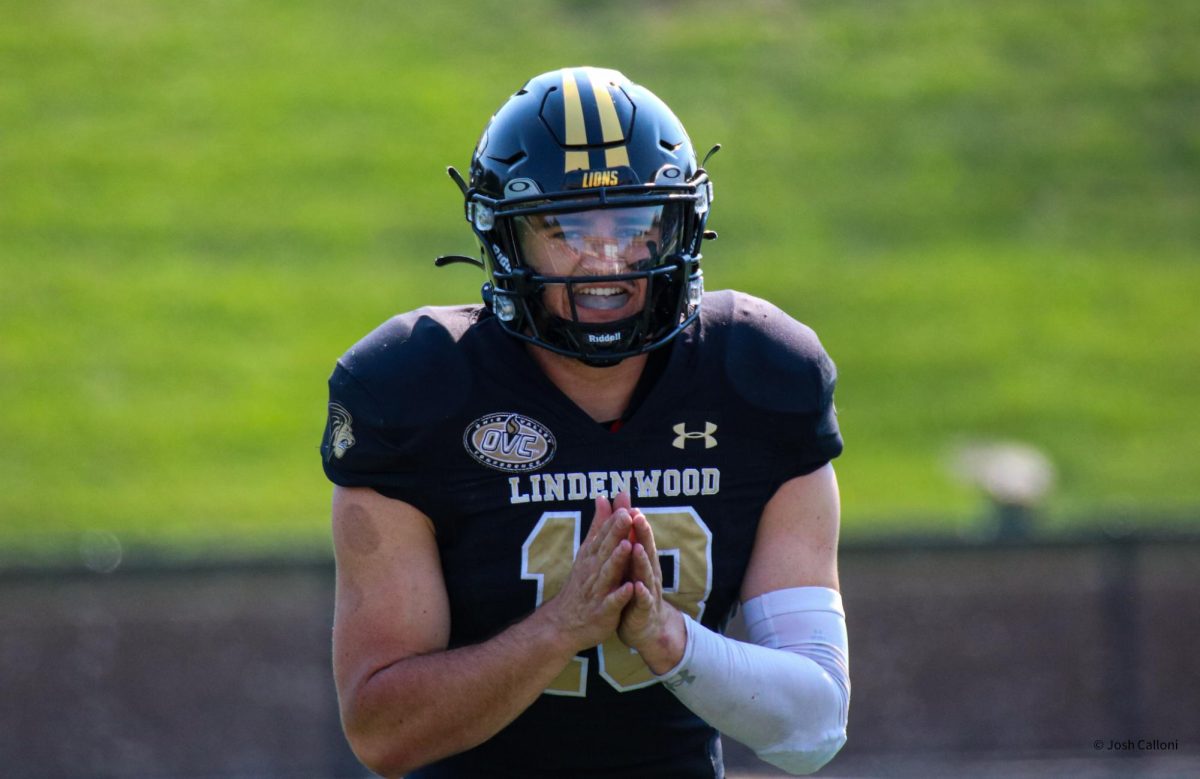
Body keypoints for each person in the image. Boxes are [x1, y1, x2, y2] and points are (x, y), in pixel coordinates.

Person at [321, 66, 850, 778]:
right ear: (505, 237)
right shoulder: (414, 388)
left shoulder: (759, 373)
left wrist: (668, 639)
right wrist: (559, 630)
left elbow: (816, 725)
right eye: (565, 228)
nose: (605, 258)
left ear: (681, 226)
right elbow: (382, 732)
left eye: (634, 224)